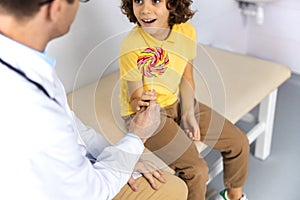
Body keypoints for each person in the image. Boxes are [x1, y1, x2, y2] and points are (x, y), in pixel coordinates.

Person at [0, 0, 188, 199]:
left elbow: (72, 126)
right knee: (171, 189)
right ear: (55, 8)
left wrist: (122, 157)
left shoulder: (25, 61)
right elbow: (89, 193)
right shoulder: (28, 103)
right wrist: (137, 137)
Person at [119, 0, 250, 199]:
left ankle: (233, 196)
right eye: (138, 1)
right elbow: (135, 99)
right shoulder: (132, 46)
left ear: (173, 3)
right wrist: (143, 100)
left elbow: (186, 77)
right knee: (196, 170)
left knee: (239, 142)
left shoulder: (186, 31)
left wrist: (188, 113)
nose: (145, 9)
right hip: (144, 112)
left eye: (155, 1)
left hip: (176, 102)